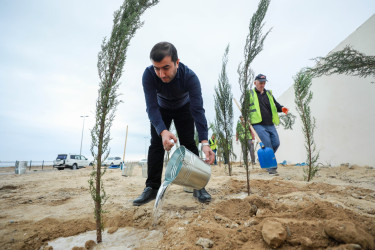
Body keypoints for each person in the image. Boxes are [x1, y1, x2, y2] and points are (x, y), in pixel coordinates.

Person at [133, 42, 215, 206]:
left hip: (184, 108)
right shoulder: (148, 75)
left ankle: (198, 186)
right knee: (156, 144)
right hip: (161, 109)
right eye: (157, 68)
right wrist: (163, 131)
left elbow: (198, 110)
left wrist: (205, 142)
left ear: (177, 62)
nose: (161, 74)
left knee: (189, 143)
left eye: (166, 67)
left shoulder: (190, 77)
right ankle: (152, 188)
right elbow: (151, 107)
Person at [249, 74, 288, 175]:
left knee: (276, 143)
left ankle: (263, 158)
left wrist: (282, 108)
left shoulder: (269, 94)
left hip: (270, 124)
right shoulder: (250, 94)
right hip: (258, 124)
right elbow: (245, 108)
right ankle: (271, 168)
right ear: (255, 83)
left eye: (264, 83)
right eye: (260, 83)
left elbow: (276, 104)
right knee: (268, 144)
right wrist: (244, 117)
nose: (262, 85)